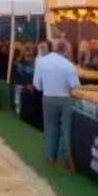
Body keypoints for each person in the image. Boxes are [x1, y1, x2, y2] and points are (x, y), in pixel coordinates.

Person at [34, 38, 80, 168]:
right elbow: (75, 86)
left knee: (50, 128)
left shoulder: (42, 62)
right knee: (66, 129)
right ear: (66, 50)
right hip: (65, 98)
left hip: (47, 97)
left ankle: (50, 157)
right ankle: (66, 159)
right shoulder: (69, 65)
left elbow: (37, 84)